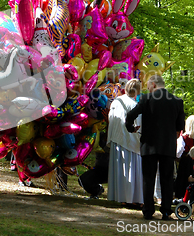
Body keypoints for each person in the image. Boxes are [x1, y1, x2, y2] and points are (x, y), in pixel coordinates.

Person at [126, 74, 185, 221]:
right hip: (168, 145)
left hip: (149, 145)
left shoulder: (146, 99)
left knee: (148, 178)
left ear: (153, 84)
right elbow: (180, 127)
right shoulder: (177, 101)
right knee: (167, 178)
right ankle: (166, 211)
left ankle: (148, 210)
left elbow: (130, 115)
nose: (147, 88)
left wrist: (131, 128)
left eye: (148, 85)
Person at [107, 79, 143, 208]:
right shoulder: (135, 105)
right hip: (131, 140)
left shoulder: (116, 102)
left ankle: (119, 196)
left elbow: (111, 120)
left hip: (117, 139)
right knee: (131, 169)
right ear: (137, 91)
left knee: (120, 169)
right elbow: (139, 125)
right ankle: (131, 198)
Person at [174, 115, 194, 200]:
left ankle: (181, 196)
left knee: (183, 179)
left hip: (185, 162)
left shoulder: (183, 138)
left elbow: (178, 153)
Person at [78, 131, 109, 199]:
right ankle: (97, 190)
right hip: (100, 169)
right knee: (83, 180)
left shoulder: (116, 140)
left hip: (114, 170)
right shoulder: (98, 137)